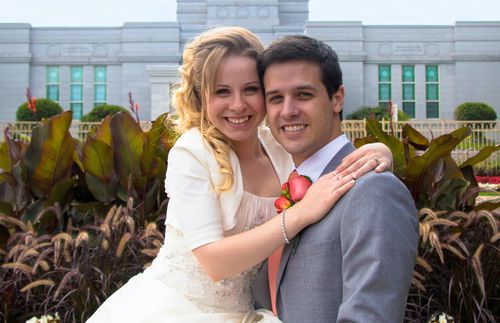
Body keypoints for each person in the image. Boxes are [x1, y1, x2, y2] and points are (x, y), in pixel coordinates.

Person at [87, 27, 393, 323]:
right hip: (183, 310)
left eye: (250, 89)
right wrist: (300, 214)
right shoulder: (193, 153)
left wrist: (378, 150)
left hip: (254, 310)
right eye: (222, 92)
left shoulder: (278, 145)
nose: (238, 105)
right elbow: (214, 261)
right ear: (199, 98)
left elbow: (325, 162)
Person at [252, 34, 419, 322]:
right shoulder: (274, 182)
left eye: (304, 95)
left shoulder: (374, 189)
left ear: (337, 98)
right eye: (275, 98)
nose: (288, 110)